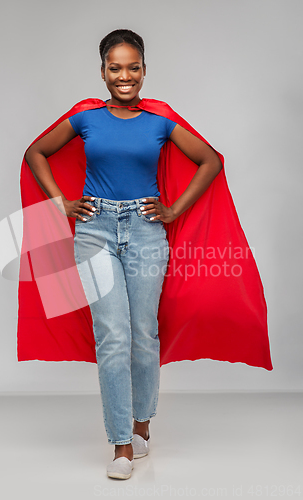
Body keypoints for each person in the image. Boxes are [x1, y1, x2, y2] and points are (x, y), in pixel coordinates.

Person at [21, 29, 262, 480]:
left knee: (143, 333)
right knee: (112, 335)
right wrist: (60, 203)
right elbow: (37, 152)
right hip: (94, 231)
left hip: (147, 232)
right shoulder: (87, 118)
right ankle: (121, 446)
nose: (125, 76)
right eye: (116, 68)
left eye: (133, 67)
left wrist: (173, 211)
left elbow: (211, 160)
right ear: (103, 72)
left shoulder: (160, 121)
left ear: (145, 71)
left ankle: (142, 425)